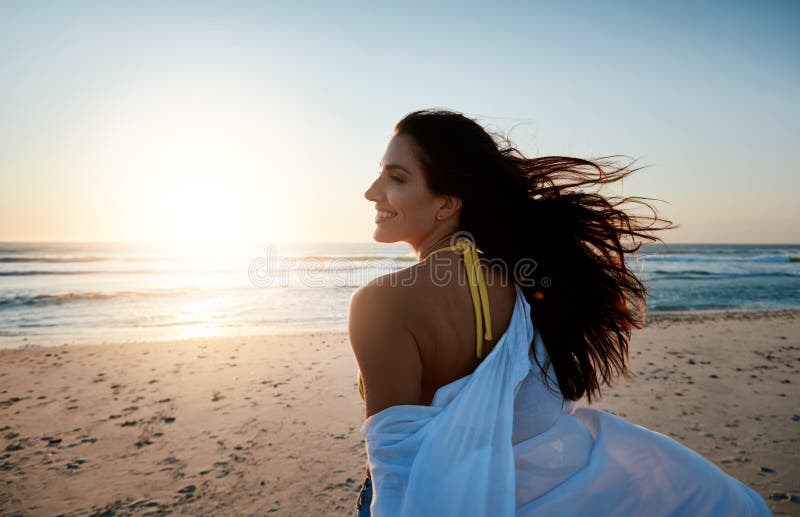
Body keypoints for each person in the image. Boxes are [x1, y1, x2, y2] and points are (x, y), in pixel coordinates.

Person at [348, 109, 771, 516]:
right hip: (514, 489)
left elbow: (393, 469)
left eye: (396, 177)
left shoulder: (382, 303)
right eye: (381, 171)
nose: (372, 191)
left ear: (447, 203)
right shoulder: (516, 280)